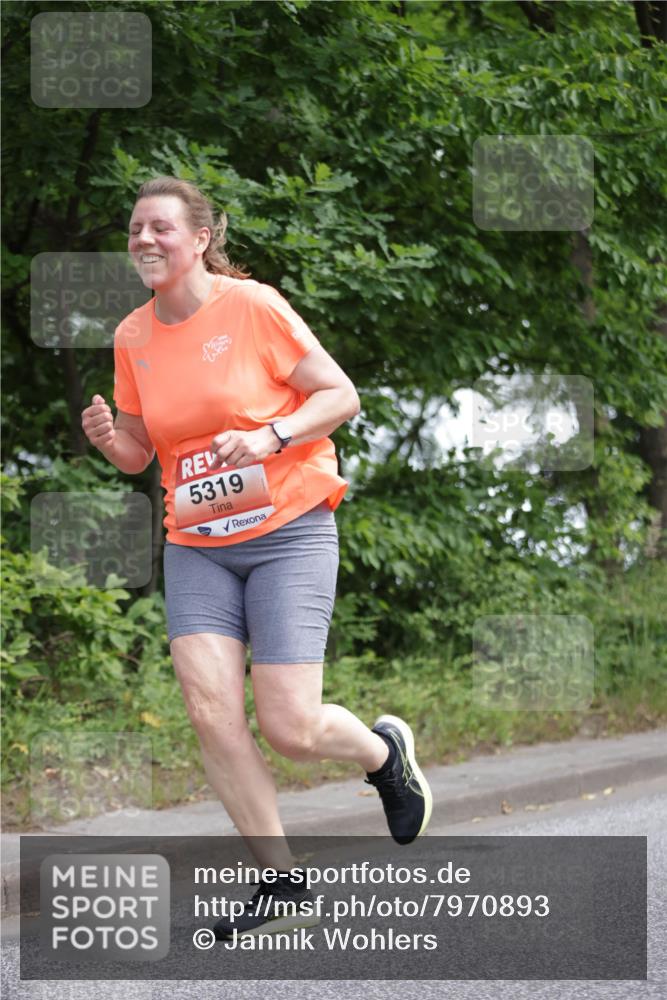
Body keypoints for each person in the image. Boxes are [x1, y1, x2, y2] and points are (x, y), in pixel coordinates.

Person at [81, 176, 432, 939]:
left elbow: (339, 395)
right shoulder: (132, 335)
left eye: (161, 229)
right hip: (197, 545)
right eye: (136, 228)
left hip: (288, 530)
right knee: (211, 713)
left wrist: (271, 436)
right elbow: (145, 449)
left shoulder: (253, 307)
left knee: (290, 727)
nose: (144, 240)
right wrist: (114, 443)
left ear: (200, 238)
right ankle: (278, 877)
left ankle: (383, 755)